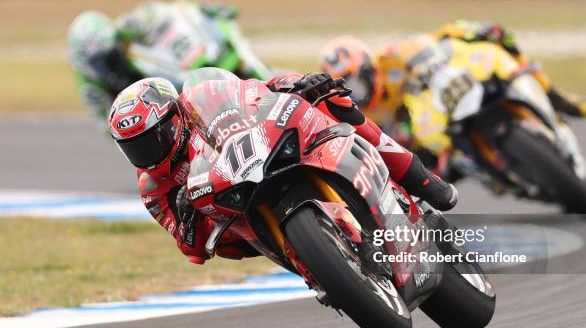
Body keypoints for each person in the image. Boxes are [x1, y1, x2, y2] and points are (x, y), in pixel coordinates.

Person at [107, 70, 458, 265]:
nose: (148, 152)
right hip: (236, 212)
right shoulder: (153, 187)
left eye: (153, 137)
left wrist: (294, 83)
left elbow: (254, 90)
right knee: (229, 246)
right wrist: (187, 222)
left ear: (174, 116)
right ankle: (325, 269)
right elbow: (192, 250)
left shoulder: (201, 100)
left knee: (334, 99)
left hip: (266, 150)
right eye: (135, 148)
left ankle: (420, 178)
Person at [319, 20, 586, 128]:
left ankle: (556, 97)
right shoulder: (361, 115)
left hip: (449, 94)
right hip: (430, 137)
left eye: (356, 82)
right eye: (348, 87)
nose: (358, 93)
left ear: (368, 67)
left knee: (499, 38)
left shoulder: (391, 56)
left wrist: (470, 31)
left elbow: (437, 38)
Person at [67, 0, 271, 129]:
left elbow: (164, 11)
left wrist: (199, 9)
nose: (104, 66)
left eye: (108, 56)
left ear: (115, 42)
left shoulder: (126, 29)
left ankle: (267, 82)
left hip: (169, 76)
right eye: (96, 63)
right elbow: (108, 128)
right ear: (83, 65)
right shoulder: (90, 88)